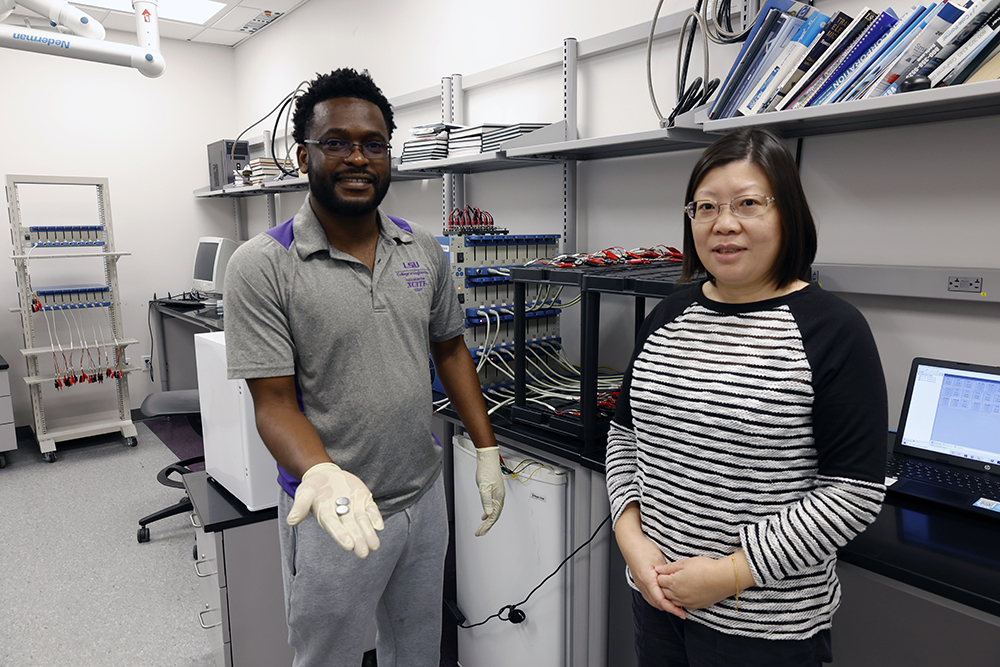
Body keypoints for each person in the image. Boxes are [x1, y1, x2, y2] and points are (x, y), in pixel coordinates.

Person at [224, 68, 505, 667]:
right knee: (328, 655)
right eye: (337, 142)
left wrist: (485, 449)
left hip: (423, 499)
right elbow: (272, 402)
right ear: (304, 156)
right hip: (334, 509)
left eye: (373, 143)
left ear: (388, 155)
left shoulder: (422, 247)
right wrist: (322, 475)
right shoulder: (262, 265)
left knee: (418, 647)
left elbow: (450, 348)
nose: (358, 157)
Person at [605, 127, 888, 667]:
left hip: (764, 627)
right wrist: (632, 541)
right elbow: (625, 438)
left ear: (788, 216)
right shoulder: (669, 315)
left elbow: (853, 492)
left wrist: (732, 573)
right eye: (705, 207)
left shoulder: (834, 329)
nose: (724, 223)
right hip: (658, 599)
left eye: (748, 204)